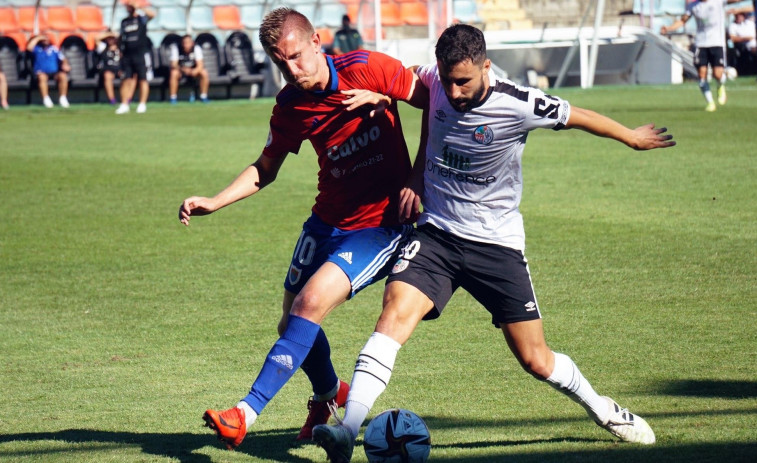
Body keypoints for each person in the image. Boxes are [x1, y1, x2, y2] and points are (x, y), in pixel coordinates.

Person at [312, 24, 676, 463]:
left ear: (486, 66)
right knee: (392, 315)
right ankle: (347, 430)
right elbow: (412, 81)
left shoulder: (519, 103)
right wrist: (382, 96)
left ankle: (602, 409)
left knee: (536, 360)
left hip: (495, 246)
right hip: (437, 235)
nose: (453, 90)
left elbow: (576, 115)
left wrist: (631, 136)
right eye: (447, 80)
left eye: (463, 81)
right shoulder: (437, 80)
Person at [178, 7, 425, 450]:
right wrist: (214, 200)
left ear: (317, 42)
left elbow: (433, 99)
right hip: (326, 219)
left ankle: (243, 414)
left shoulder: (367, 67)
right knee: (290, 321)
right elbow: (265, 168)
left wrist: (387, 104)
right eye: (280, 63)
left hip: (381, 225)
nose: (290, 70)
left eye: (295, 57)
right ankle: (329, 397)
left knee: (310, 304)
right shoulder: (290, 105)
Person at [661, 0, 743, 112]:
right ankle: (710, 103)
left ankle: (720, 86)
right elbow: (682, 21)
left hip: (717, 43)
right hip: (701, 44)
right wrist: (669, 28)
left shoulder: (718, 2)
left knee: (718, 74)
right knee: (701, 74)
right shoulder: (693, 6)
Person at [115, 0, 155, 114]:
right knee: (126, 79)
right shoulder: (124, 22)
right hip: (127, 54)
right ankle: (124, 104)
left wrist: (140, 7)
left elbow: (152, 15)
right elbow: (121, 37)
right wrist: (119, 49)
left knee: (143, 79)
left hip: (140, 53)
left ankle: (142, 104)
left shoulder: (141, 19)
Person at [26, 34, 70, 109]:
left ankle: (63, 98)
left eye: (46, 39)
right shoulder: (36, 49)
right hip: (41, 72)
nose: (45, 41)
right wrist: (38, 37)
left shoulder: (54, 49)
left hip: (54, 72)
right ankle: (46, 99)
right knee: (42, 78)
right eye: (43, 40)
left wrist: (65, 64)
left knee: (63, 76)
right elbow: (29, 48)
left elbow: (62, 58)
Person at [168, 35, 209, 103]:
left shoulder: (196, 48)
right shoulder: (176, 49)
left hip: (193, 70)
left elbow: (200, 64)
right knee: (173, 73)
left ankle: (203, 96)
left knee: (204, 73)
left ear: (192, 43)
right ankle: (173, 98)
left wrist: (195, 71)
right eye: (185, 42)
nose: (186, 45)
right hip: (181, 71)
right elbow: (173, 64)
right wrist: (183, 69)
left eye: (188, 42)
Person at [96, 31, 122, 105]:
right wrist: (109, 34)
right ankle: (112, 100)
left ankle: (127, 99)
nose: (111, 40)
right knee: (108, 75)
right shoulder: (103, 47)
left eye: (112, 38)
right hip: (108, 69)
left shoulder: (121, 48)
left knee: (131, 76)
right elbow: (96, 39)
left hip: (119, 69)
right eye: (109, 39)